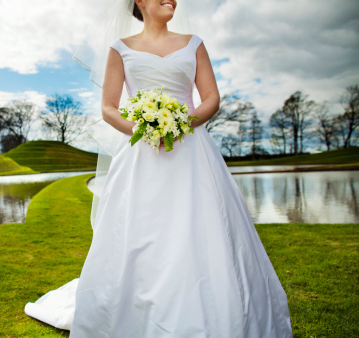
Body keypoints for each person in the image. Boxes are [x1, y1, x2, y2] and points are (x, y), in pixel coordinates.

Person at [25, 0, 293, 337]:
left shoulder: (194, 44)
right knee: (142, 229)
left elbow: (210, 97)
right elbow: (109, 107)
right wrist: (146, 129)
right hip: (141, 153)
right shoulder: (120, 49)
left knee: (202, 225)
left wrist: (180, 123)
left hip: (193, 152)